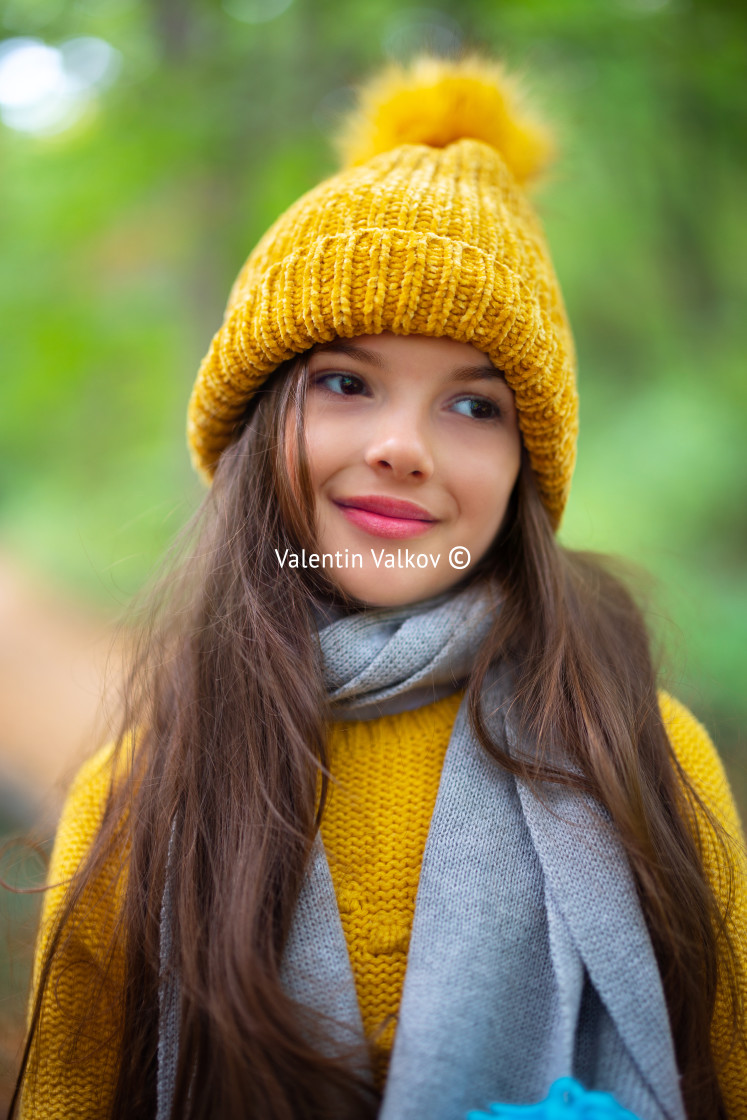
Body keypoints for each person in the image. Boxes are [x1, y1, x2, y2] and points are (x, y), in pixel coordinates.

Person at [11, 54, 747, 1120]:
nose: (402, 447)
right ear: (261, 429)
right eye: (347, 384)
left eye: (475, 406)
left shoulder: (643, 757)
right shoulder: (139, 800)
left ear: (522, 475)